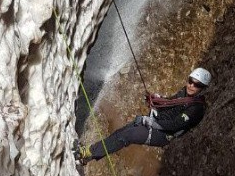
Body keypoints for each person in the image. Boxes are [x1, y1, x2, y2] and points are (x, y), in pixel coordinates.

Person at [75, 68, 211, 164]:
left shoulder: (196, 108)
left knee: (128, 136)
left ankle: (87, 153)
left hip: (164, 134)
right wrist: (157, 100)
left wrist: (153, 123)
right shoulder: (184, 93)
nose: (191, 86)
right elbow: (170, 104)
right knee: (122, 131)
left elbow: (175, 124)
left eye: (197, 85)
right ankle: (89, 154)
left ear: (203, 88)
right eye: (190, 81)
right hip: (157, 122)